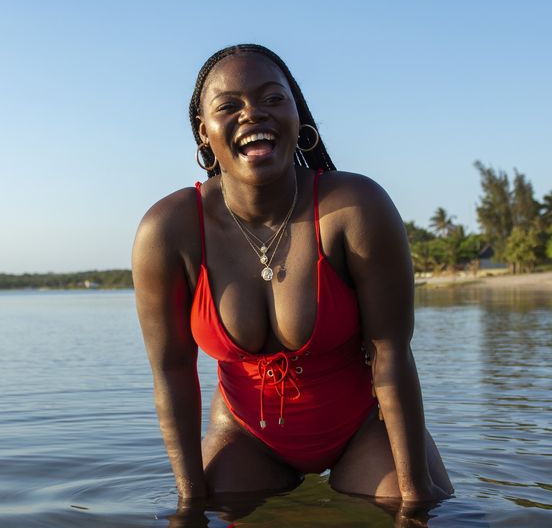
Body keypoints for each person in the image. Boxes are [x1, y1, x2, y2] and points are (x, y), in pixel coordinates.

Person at [133, 43, 453, 504]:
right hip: (246, 436)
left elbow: (393, 357)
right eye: (229, 106)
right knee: (209, 522)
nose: (253, 114)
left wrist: (416, 493)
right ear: (204, 133)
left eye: (272, 99)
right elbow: (172, 373)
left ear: (298, 115)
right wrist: (189, 502)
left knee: (425, 522)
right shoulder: (169, 230)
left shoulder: (355, 208)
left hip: (363, 427)